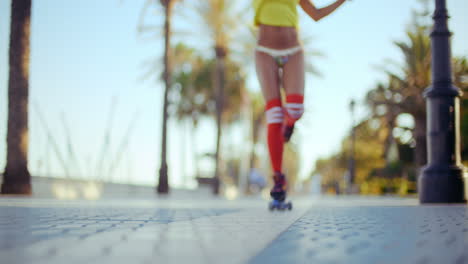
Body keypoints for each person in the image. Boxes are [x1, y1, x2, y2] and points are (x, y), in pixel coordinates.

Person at [254, 0, 349, 202]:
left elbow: (315, 14)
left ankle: (289, 125)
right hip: (264, 51)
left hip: (293, 51)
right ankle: (278, 178)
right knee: (274, 114)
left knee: (295, 110)